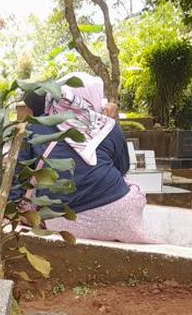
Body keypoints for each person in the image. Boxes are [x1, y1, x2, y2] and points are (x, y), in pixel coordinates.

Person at [14, 73, 150, 243]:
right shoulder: (108, 126)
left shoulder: (35, 128)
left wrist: (10, 212)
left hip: (60, 221)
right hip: (120, 216)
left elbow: (19, 178)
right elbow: (122, 168)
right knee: (132, 185)